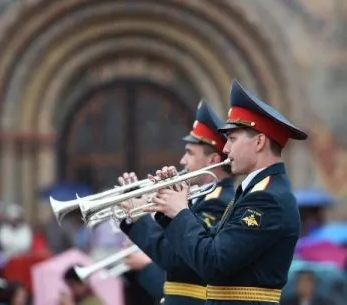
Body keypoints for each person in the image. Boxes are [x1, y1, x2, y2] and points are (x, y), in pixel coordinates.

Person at [140, 79, 307, 304]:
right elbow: (208, 246)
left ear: (259, 142)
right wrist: (171, 207)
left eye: (232, 139)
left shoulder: (267, 199)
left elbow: (214, 263)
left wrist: (180, 212)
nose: (226, 149)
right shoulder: (256, 191)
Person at [119, 100, 235, 304]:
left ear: (213, 160)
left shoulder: (218, 203)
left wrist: (140, 219)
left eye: (189, 153)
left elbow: (175, 260)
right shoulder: (199, 199)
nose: (182, 161)